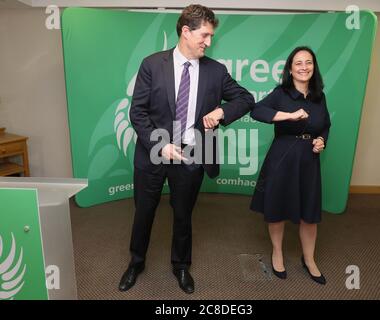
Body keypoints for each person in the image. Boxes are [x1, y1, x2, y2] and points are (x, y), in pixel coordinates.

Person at [119, 4, 254, 294]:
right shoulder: (152, 64)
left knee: (183, 214)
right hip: (154, 152)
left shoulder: (216, 72)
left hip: (193, 154)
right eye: (204, 35)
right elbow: (137, 112)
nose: (209, 41)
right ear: (185, 31)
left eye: (211, 36)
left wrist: (221, 113)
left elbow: (246, 98)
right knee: (144, 211)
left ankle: (181, 267)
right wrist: (160, 144)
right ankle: (136, 262)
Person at [250, 46, 330, 285]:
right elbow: (257, 111)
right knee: (277, 209)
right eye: (298, 63)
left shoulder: (319, 96)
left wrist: (321, 140)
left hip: (309, 161)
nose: (304, 67)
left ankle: (309, 259)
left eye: (308, 62)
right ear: (290, 68)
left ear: (313, 67)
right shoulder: (280, 93)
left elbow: (325, 124)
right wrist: (289, 115)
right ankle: (277, 252)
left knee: (310, 214)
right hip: (282, 158)